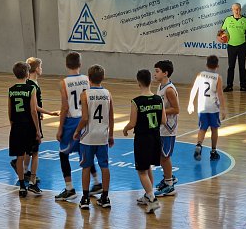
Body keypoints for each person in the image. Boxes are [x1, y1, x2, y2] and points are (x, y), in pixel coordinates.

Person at [55, 52, 102, 201]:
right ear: (80, 64)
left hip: (71, 121)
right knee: (85, 152)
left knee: (63, 154)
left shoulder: (64, 83)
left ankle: (69, 189)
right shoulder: (87, 80)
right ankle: (97, 182)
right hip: (85, 119)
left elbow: (64, 107)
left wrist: (60, 127)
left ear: (66, 65)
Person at [10, 57, 59, 194]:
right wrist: (48, 113)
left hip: (22, 122)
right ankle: (29, 177)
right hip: (30, 122)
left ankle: (23, 171)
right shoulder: (31, 85)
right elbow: (33, 107)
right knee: (33, 151)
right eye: (41, 67)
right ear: (36, 69)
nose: (42, 69)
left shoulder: (30, 84)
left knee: (28, 150)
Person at [123, 69, 165, 213]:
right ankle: (148, 195)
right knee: (148, 168)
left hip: (143, 139)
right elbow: (163, 120)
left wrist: (125, 129)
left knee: (141, 171)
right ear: (150, 81)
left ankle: (153, 200)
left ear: (138, 82)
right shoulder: (159, 99)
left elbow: (132, 123)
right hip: (156, 137)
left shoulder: (136, 102)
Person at [74, 64, 114, 209]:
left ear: (88, 78)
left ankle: (85, 198)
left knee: (86, 167)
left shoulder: (85, 94)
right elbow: (111, 118)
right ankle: (105, 197)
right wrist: (110, 135)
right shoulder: (108, 94)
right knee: (104, 166)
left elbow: (84, 118)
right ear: (102, 78)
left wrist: (77, 131)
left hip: (88, 137)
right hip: (102, 136)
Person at [8, 62, 42, 197]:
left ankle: (22, 186)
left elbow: (9, 111)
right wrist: (38, 130)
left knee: (20, 157)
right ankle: (33, 183)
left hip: (16, 126)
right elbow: (34, 111)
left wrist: (13, 125)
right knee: (34, 154)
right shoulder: (30, 89)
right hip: (29, 126)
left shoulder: (11, 90)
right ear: (28, 74)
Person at [217, 2, 246, 92]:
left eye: (238, 9)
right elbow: (221, 31)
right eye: (235, 9)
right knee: (231, 67)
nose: (237, 11)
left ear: (240, 9)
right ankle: (229, 86)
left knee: (242, 67)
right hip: (231, 46)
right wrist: (219, 37)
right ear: (232, 10)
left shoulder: (245, 20)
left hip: (242, 46)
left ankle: (243, 86)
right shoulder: (227, 19)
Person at [187, 55, 226, 161]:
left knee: (202, 128)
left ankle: (199, 145)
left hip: (202, 107)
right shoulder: (218, 77)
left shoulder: (200, 74)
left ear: (206, 64)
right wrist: (223, 109)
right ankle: (213, 151)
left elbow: (194, 89)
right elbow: (220, 94)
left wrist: (190, 103)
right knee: (214, 129)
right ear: (217, 66)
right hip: (213, 107)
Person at [153, 60, 179, 197]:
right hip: (161, 126)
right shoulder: (161, 86)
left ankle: (169, 185)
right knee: (161, 155)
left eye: (157, 71)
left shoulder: (169, 89)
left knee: (165, 157)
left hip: (168, 128)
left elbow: (176, 109)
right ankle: (168, 177)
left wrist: (159, 110)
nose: (154, 74)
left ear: (165, 73)